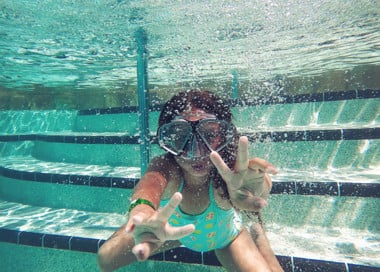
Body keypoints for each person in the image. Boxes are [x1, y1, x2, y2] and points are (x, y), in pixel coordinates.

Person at [97, 90, 284, 272]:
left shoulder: (231, 172)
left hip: (226, 237)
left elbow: (255, 182)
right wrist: (143, 210)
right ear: (167, 141)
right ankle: (180, 235)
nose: (197, 152)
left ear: (224, 137)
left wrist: (258, 187)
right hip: (172, 232)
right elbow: (150, 182)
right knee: (105, 258)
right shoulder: (167, 166)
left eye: (209, 136)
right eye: (180, 137)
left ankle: (260, 238)